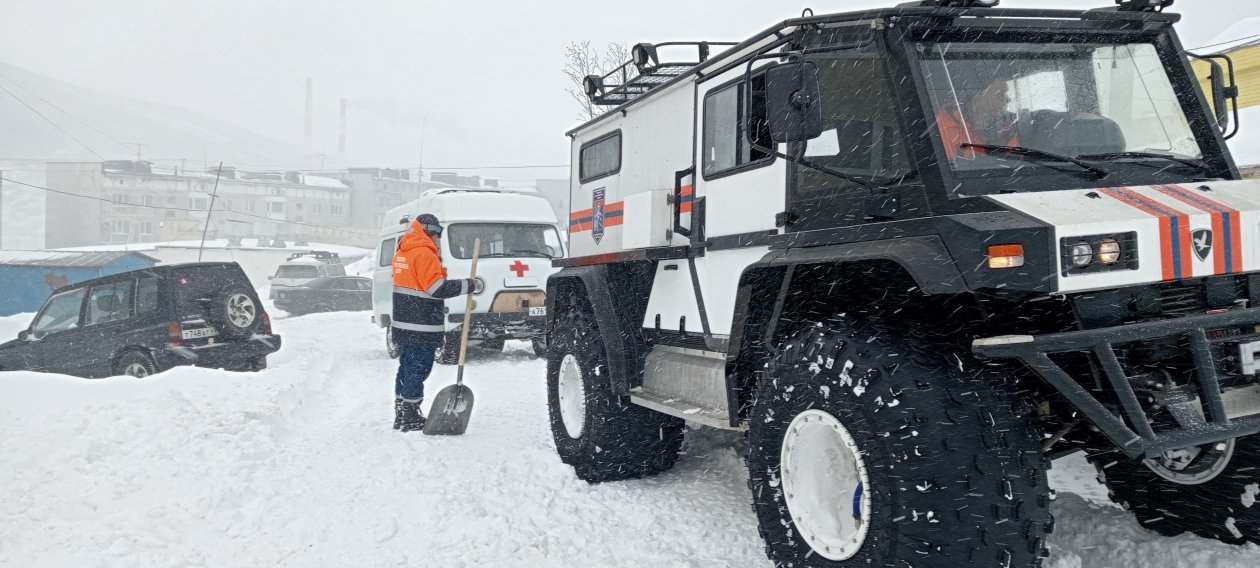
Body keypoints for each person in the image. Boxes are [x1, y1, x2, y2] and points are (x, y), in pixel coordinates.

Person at [390, 213, 484, 431]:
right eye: (437, 233)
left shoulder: (403, 252)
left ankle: (402, 411)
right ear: (428, 231)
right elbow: (436, 288)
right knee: (418, 369)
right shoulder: (424, 254)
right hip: (422, 323)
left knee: (406, 368)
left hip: (404, 322)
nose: (438, 238)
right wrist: (469, 285)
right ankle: (410, 415)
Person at [935, 75, 1021, 159]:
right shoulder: (945, 128)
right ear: (978, 98)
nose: (1008, 99)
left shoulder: (1006, 125)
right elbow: (950, 168)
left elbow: (1013, 160)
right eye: (1000, 94)